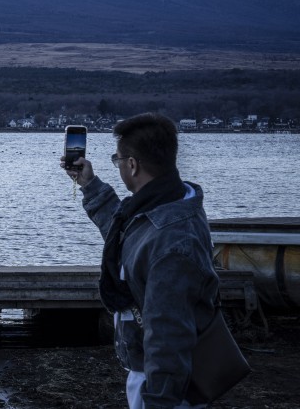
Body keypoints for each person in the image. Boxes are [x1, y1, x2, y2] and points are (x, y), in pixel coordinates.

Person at [62, 113, 220, 409]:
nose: (119, 165)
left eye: (117, 159)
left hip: (166, 387)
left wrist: (158, 399)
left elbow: (168, 333)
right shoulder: (167, 203)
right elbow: (129, 236)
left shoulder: (173, 240)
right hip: (154, 373)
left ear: (132, 165)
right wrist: (90, 184)